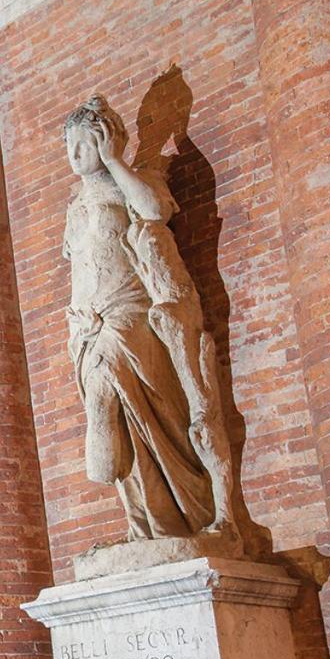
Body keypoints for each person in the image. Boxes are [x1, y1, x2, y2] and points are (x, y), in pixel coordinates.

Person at [62, 95, 234, 539]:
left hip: (129, 315)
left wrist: (115, 161)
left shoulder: (135, 181)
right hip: (87, 326)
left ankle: (185, 508)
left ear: (106, 139)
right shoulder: (75, 207)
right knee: (124, 426)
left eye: (85, 144)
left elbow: (156, 212)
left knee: (139, 407)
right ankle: (143, 520)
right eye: (71, 146)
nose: (76, 155)